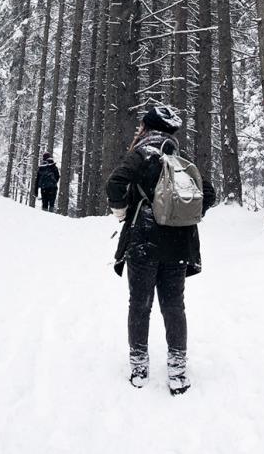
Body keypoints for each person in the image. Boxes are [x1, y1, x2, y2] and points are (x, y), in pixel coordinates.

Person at [105, 103, 215, 395]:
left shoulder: (141, 154)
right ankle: (177, 370)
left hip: (144, 240)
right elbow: (209, 193)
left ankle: (139, 367)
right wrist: (184, 215)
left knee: (140, 305)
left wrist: (122, 212)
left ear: (146, 127)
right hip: (178, 243)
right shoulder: (180, 158)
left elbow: (115, 183)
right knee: (174, 305)